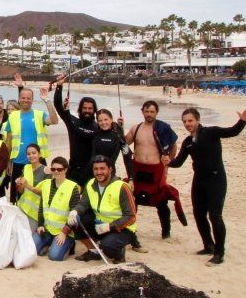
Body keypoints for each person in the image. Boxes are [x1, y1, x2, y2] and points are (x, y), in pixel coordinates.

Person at [167, 108, 246, 266]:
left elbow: (232, 132)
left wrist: (242, 121)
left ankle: (219, 252)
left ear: (197, 120)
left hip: (216, 179)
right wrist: (168, 162)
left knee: (215, 216)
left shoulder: (211, 132)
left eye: (190, 121)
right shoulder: (188, 142)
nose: (187, 124)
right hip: (199, 180)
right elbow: (179, 162)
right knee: (198, 214)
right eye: (184, 122)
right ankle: (208, 246)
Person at [125, 100, 178, 240]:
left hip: (156, 170)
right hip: (138, 169)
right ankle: (131, 230)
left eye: (152, 112)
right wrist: (118, 127)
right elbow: (123, 144)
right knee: (132, 201)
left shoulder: (163, 128)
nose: (149, 114)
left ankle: (166, 231)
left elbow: (173, 146)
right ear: (142, 111)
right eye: (146, 111)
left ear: (156, 112)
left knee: (161, 201)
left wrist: (169, 163)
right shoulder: (135, 129)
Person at [69, 156, 137, 264]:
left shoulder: (122, 187)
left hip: (122, 228)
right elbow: (84, 203)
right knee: (75, 222)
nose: (99, 172)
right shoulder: (91, 184)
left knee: (108, 246)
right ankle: (94, 251)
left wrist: (109, 226)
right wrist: (75, 211)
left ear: (110, 169)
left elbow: (131, 216)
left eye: (102, 168)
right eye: (96, 169)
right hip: (99, 223)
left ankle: (119, 254)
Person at [4, 87, 58, 202]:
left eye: (28, 98)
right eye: (23, 98)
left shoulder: (39, 115)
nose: (26, 100)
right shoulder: (12, 116)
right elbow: (9, 141)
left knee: (41, 194)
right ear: (19, 99)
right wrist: (8, 161)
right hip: (18, 162)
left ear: (32, 100)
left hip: (38, 162)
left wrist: (46, 100)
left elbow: (54, 120)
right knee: (17, 197)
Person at [53, 75, 98, 187]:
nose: (87, 111)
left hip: (90, 171)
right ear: (80, 109)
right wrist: (59, 86)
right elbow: (58, 106)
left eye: (90, 109)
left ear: (94, 110)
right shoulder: (72, 121)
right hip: (73, 170)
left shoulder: (98, 128)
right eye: (84, 108)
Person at [33, 157, 80, 261]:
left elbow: (75, 215)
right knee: (32, 250)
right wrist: (40, 225)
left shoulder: (73, 188)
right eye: (53, 169)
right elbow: (41, 207)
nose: (56, 172)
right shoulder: (46, 184)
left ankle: (70, 245)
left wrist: (64, 233)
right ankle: (49, 244)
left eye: (59, 169)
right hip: (47, 229)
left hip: (63, 232)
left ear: (66, 170)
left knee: (54, 256)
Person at [15, 144, 52, 231]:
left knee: (28, 237)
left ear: (39, 154)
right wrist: (19, 185)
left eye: (34, 153)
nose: (31, 156)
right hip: (22, 207)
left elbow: (45, 194)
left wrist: (27, 185)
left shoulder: (46, 171)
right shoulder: (26, 167)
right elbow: (21, 192)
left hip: (36, 213)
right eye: (28, 154)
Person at [92, 109, 134, 180]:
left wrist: (131, 178)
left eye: (106, 119)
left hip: (110, 175)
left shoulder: (118, 135)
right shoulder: (95, 134)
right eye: (100, 120)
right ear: (97, 122)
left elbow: (127, 156)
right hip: (94, 174)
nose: (103, 122)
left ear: (111, 120)